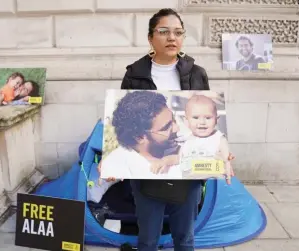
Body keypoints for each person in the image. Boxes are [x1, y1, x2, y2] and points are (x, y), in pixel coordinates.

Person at [98, 8, 234, 251]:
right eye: (164, 32)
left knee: (185, 238)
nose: (172, 37)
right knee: (148, 239)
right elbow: (121, 118)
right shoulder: (134, 75)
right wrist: (109, 161)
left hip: (187, 172)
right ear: (150, 38)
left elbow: (209, 122)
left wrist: (221, 154)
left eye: (178, 32)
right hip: (147, 178)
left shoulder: (197, 74)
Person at [149, 94, 233, 184]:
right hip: (190, 184)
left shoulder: (218, 138)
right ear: (186, 120)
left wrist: (228, 166)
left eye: (208, 118)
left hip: (213, 182)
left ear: (216, 120)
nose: (202, 122)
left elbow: (226, 159)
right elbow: (179, 158)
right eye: (195, 117)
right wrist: (164, 161)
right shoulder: (187, 140)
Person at [100, 91, 183, 180]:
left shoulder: (182, 144)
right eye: (166, 127)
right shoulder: (117, 167)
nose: (177, 128)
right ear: (139, 137)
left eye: (174, 120)